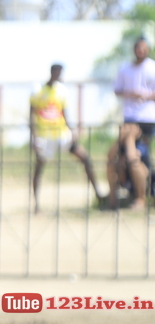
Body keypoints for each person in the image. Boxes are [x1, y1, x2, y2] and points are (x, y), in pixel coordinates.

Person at [29, 63, 103, 213]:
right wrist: (34, 137)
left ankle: (98, 194)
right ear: (52, 72)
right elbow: (31, 115)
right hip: (44, 136)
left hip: (62, 133)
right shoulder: (38, 90)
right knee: (39, 168)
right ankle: (36, 204)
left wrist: (72, 131)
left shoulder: (62, 91)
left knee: (85, 157)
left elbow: (64, 113)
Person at [108, 38, 155, 210]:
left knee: (136, 157)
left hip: (147, 120)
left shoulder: (152, 67)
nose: (141, 51)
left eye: (144, 48)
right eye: (138, 48)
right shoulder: (125, 68)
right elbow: (117, 90)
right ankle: (116, 197)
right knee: (117, 157)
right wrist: (130, 93)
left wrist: (145, 95)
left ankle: (141, 197)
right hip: (129, 118)